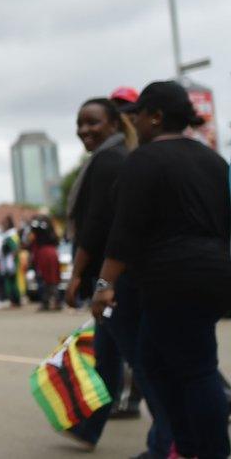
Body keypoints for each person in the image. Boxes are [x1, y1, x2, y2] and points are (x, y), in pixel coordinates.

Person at [93, 81, 231, 459]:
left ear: (155, 116)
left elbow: (125, 230)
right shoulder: (214, 161)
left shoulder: (145, 159)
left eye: (138, 114)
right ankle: (187, 447)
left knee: (196, 369)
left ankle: (210, 451)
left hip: (173, 277)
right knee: (154, 361)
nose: (133, 121)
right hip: (215, 271)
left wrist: (104, 284)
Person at [61, 97, 171, 455]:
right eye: (80, 123)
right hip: (113, 279)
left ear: (113, 123)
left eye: (93, 122)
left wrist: (78, 274)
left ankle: (168, 442)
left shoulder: (110, 160)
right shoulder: (114, 157)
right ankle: (89, 427)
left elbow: (96, 225)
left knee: (142, 363)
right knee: (107, 358)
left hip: (113, 281)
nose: (84, 130)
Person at [27, 217, 62, 312]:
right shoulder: (52, 232)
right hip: (52, 254)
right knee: (53, 280)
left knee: (45, 280)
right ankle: (56, 302)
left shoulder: (37, 232)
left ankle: (47, 302)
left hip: (44, 255)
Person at [0, 217, 21, 308]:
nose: (3, 225)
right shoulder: (7, 235)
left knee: (13, 282)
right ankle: (13, 300)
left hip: (11, 262)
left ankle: (15, 300)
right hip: (7, 262)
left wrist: (11, 259)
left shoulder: (11, 235)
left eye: (5, 223)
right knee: (10, 282)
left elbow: (15, 249)